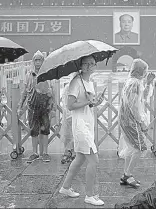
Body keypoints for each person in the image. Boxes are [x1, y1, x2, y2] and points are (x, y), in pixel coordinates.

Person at [59, 55, 105, 206]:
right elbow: (70, 105)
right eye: (90, 63)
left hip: (88, 123)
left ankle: (65, 187)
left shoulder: (89, 82)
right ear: (83, 66)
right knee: (94, 160)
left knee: (79, 159)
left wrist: (95, 102)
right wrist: (88, 101)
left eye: (94, 63)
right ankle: (90, 195)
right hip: (80, 125)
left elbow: (87, 104)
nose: (93, 66)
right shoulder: (76, 82)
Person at [118, 59, 155, 188]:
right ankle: (127, 175)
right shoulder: (135, 83)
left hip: (126, 119)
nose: (146, 73)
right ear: (140, 71)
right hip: (130, 120)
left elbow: (141, 98)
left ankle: (125, 175)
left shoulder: (134, 82)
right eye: (145, 70)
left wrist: (148, 83)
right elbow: (134, 105)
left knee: (131, 148)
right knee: (140, 148)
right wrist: (140, 122)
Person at [17, 51, 56, 163]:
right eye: (36, 60)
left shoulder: (48, 74)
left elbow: (53, 92)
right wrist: (20, 106)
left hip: (45, 107)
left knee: (45, 130)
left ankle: (45, 152)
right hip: (32, 107)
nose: (38, 62)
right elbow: (25, 91)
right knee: (34, 130)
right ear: (33, 61)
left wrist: (53, 108)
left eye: (40, 60)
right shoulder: (29, 75)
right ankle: (35, 152)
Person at [60, 81, 75, 164]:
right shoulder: (68, 88)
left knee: (77, 134)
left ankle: (76, 152)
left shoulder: (86, 86)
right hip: (69, 113)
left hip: (80, 114)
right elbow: (65, 102)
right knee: (67, 133)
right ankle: (68, 151)